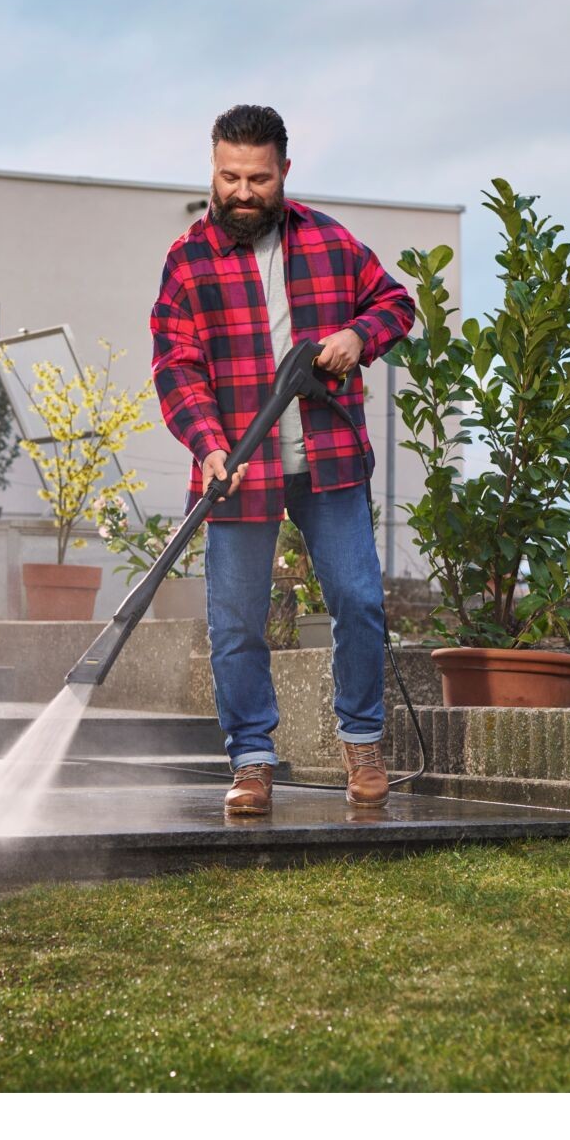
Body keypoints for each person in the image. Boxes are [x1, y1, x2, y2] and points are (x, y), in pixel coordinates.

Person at [149, 104, 416, 816]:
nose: (241, 192)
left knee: (359, 601)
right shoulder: (188, 260)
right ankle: (252, 761)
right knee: (237, 622)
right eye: (228, 177)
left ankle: (362, 742)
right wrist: (209, 445)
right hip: (238, 466)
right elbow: (175, 366)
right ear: (213, 170)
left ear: (285, 172)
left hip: (330, 459)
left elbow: (395, 303)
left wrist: (359, 336)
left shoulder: (329, 241)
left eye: (258, 179)